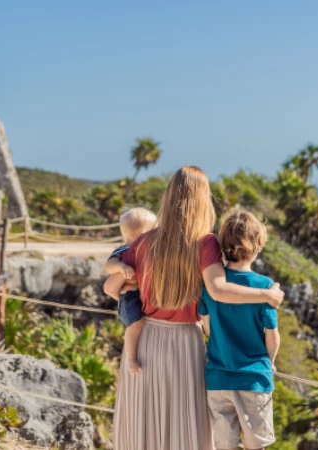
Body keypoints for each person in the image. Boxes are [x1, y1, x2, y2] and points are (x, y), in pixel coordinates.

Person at [104, 166, 284, 450]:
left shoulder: (146, 240)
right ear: (202, 199)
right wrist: (266, 295)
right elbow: (218, 289)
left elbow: (111, 287)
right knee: (185, 428)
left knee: (147, 426)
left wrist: (130, 283)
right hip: (185, 342)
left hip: (146, 341)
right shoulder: (205, 241)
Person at [200, 211, 280, 450]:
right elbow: (272, 337)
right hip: (253, 379)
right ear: (258, 245)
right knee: (256, 446)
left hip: (218, 379)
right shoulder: (265, 287)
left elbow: (207, 328)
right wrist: (271, 362)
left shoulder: (210, 284)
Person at [104, 207, 157, 375]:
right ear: (142, 234)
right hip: (130, 298)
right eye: (154, 231)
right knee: (136, 325)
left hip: (135, 295)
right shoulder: (124, 250)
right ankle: (131, 358)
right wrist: (121, 267)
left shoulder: (146, 251)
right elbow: (109, 265)